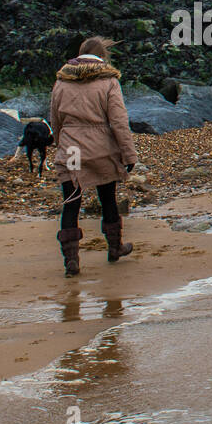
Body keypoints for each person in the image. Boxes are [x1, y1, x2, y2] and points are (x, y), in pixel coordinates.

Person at [49, 36, 138, 276]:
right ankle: (115, 248)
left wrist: (61, 143)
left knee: (71, 202)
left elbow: (55, 120)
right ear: (102, 57)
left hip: (72, 150)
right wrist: (129, 154)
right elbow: (119, 121)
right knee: (108, 197)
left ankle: (71, 262)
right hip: (101, 148)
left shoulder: (62, 81)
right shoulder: (109, 81)